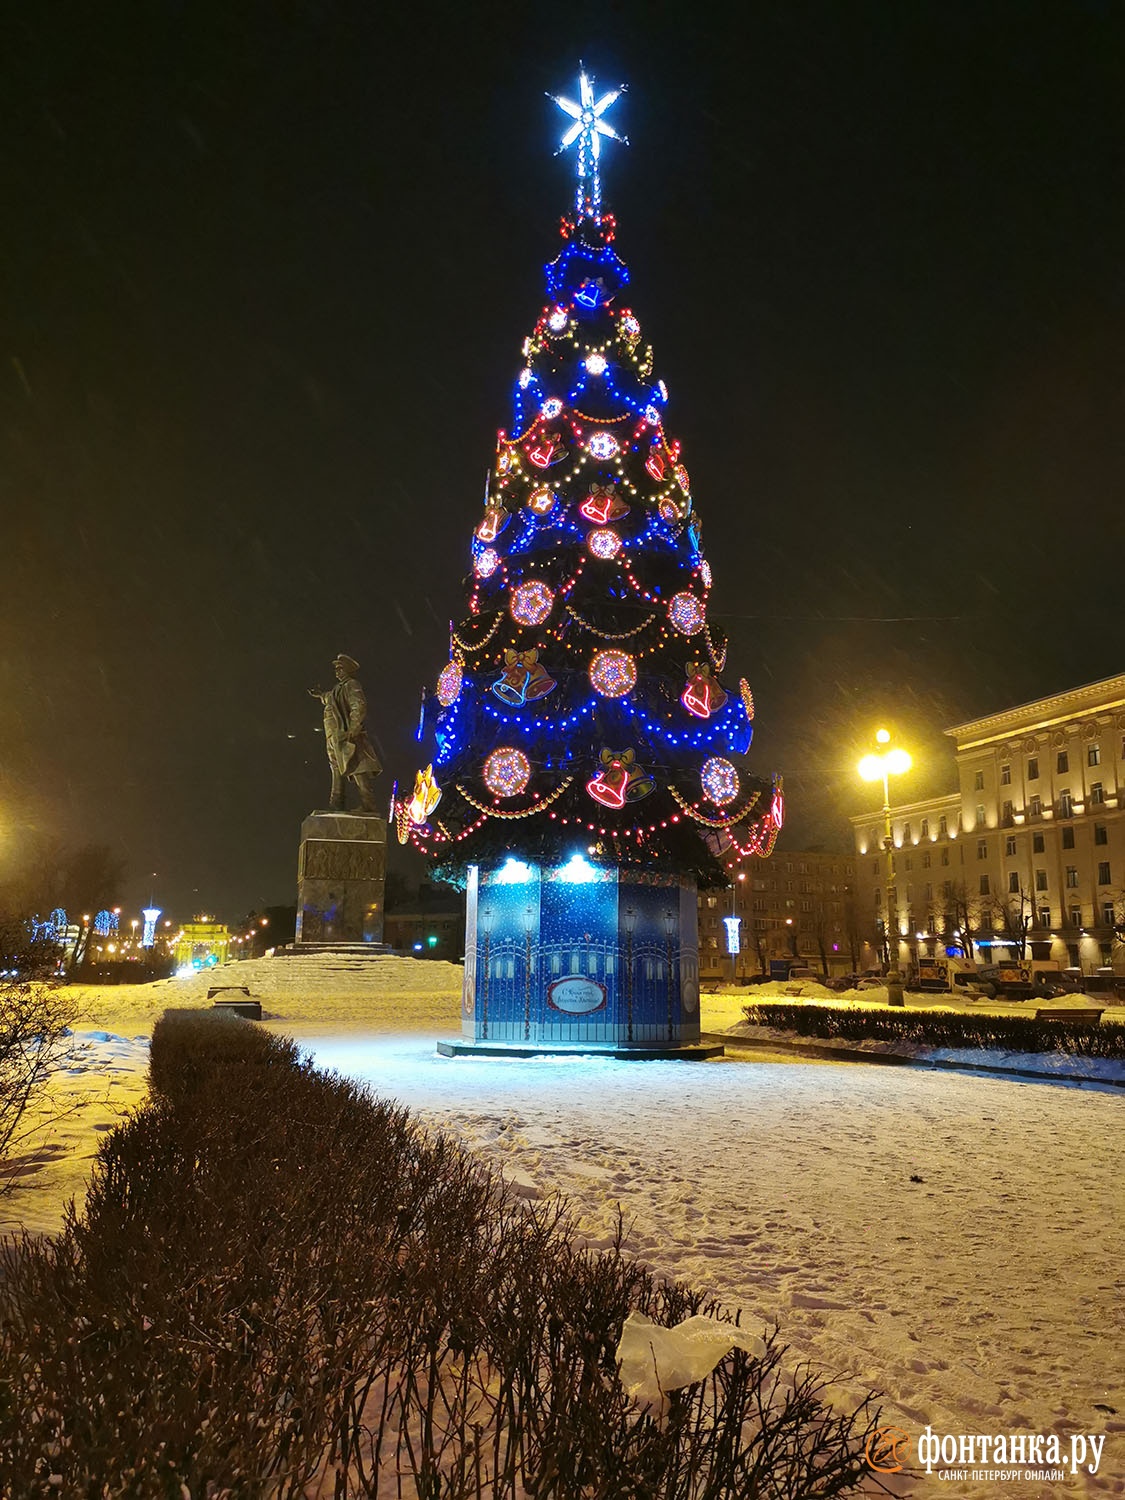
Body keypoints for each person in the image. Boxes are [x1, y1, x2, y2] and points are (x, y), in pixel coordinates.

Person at [308, 655, 383, 813]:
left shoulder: (352, 684)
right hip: (334, 735)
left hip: (348, 734)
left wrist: (354, 728)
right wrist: (321, 695)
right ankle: (337, 802)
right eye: (336, 669)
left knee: (358, 766)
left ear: (348, 669)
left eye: (340, 669)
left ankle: (368, 804)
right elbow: (330, 697)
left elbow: (359, 705)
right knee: (336, 767)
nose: (337, 672)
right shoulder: (338, 688)